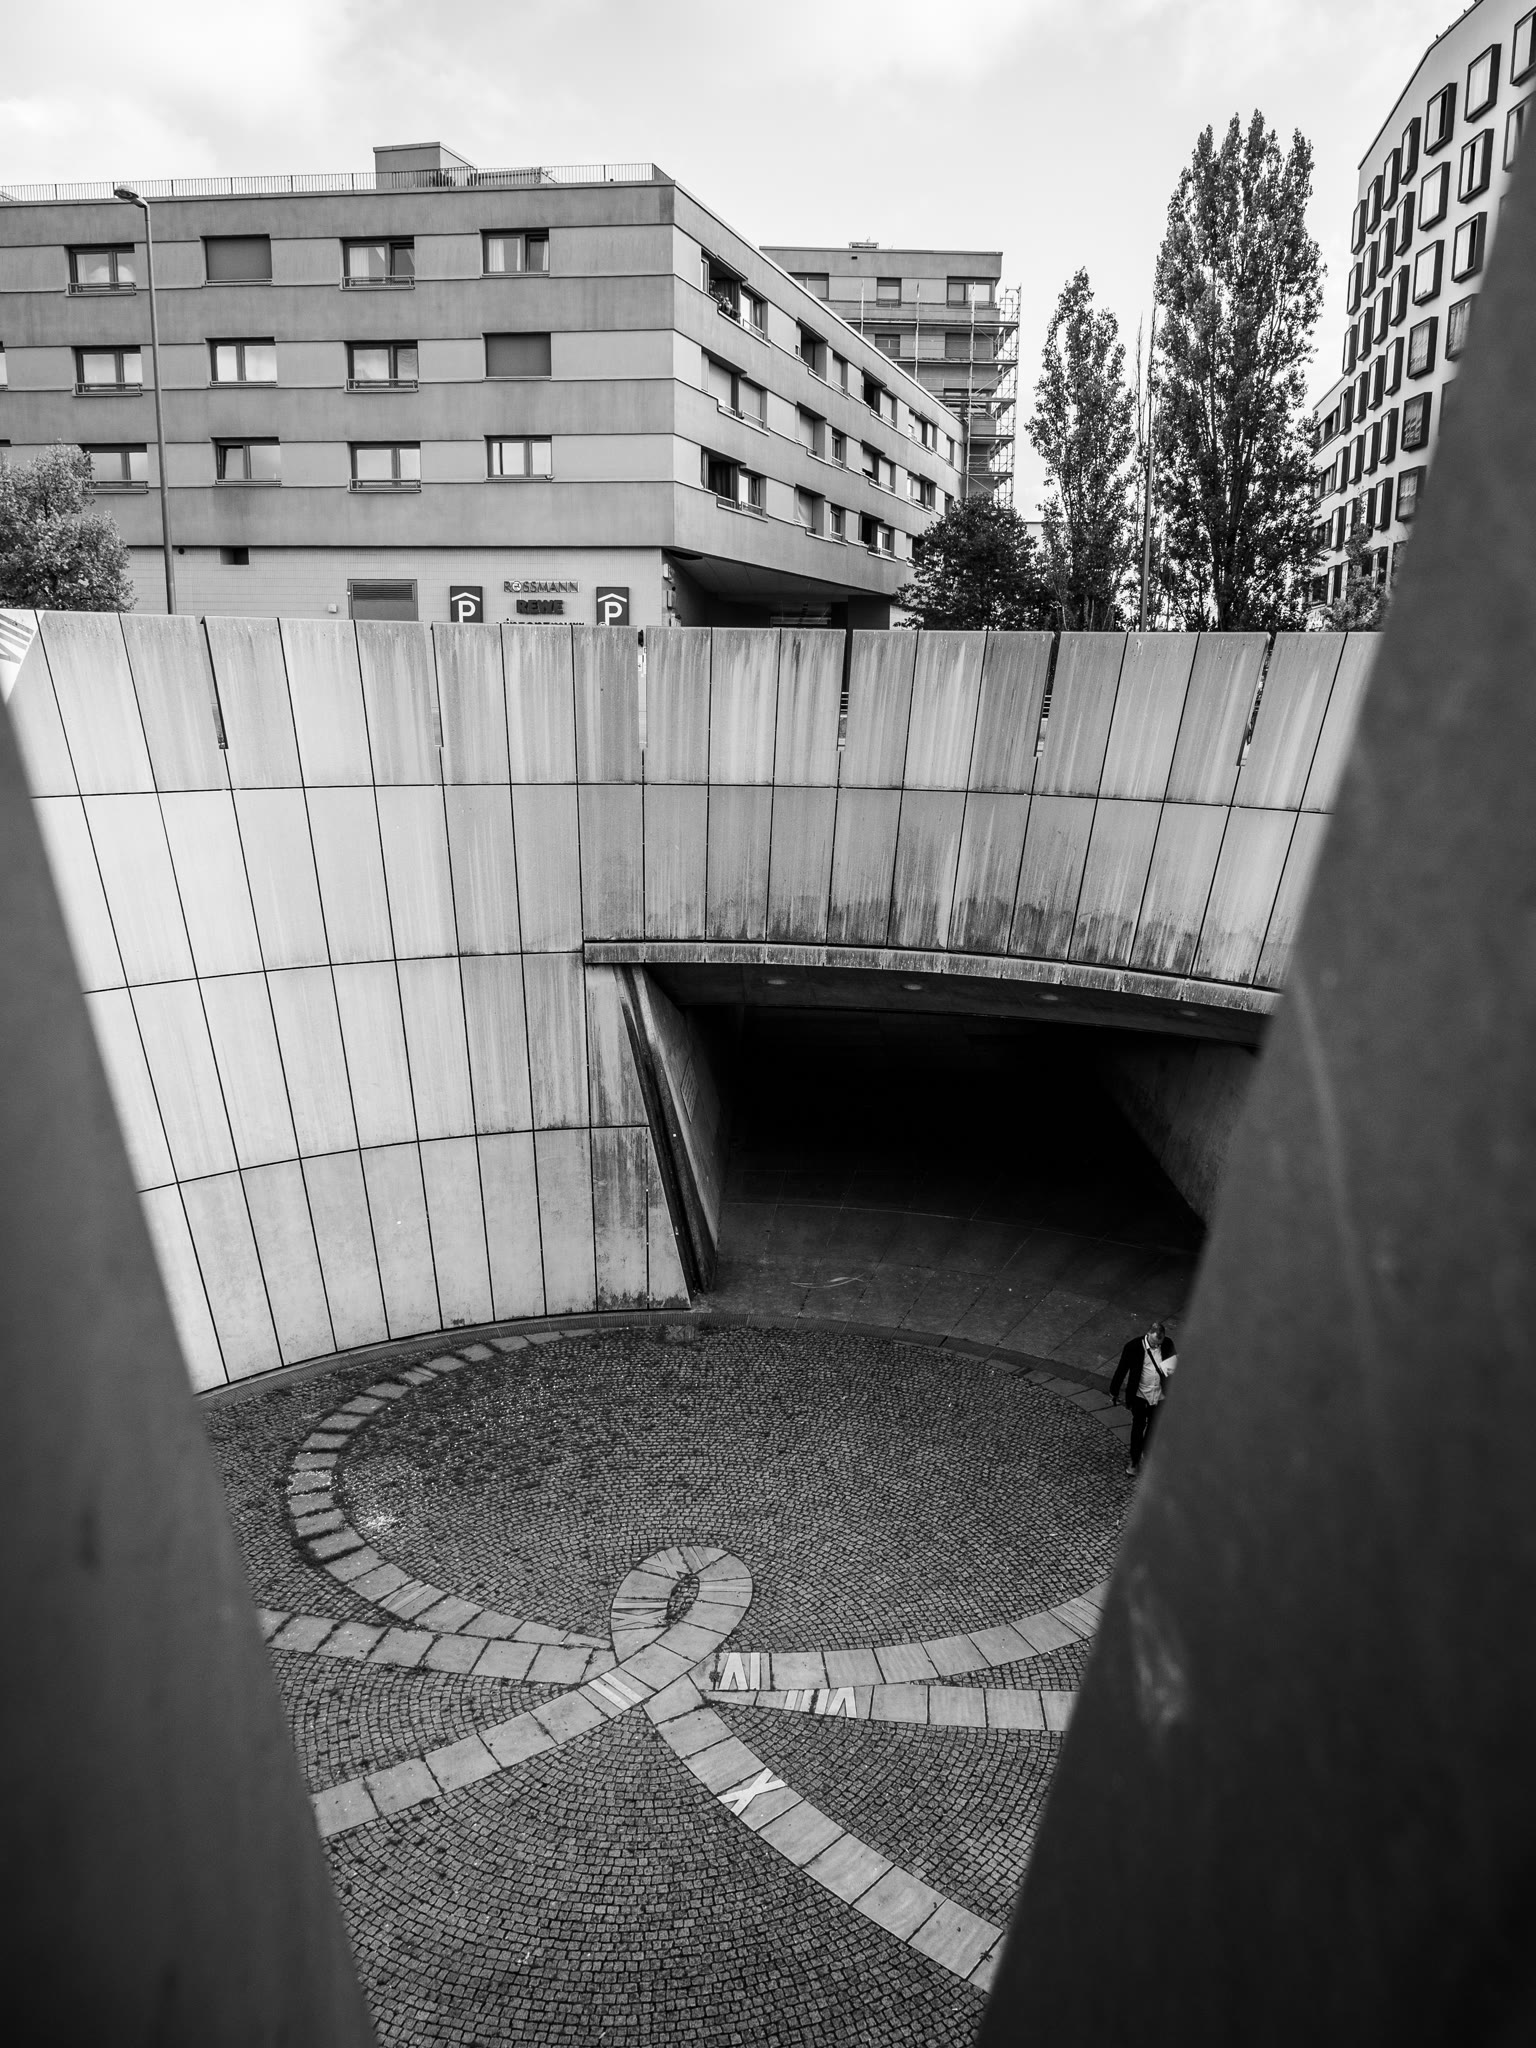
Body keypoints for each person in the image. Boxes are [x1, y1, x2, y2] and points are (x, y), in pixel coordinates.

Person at [1110, 1321, 1177, 1476]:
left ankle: (1146, 1452)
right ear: (1148, 1334)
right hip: (1140, 1396)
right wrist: (1114, 1390)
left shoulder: (1167, 1344)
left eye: (1158, 1344)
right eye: (1153, 1343)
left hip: (1160, 1395)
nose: (1156, 1346)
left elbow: (1173, 1367)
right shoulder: (1133, 1347)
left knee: (1153, 1426)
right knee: (1138, 1428)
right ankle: (1134, 1460)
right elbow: (1122, 1369)